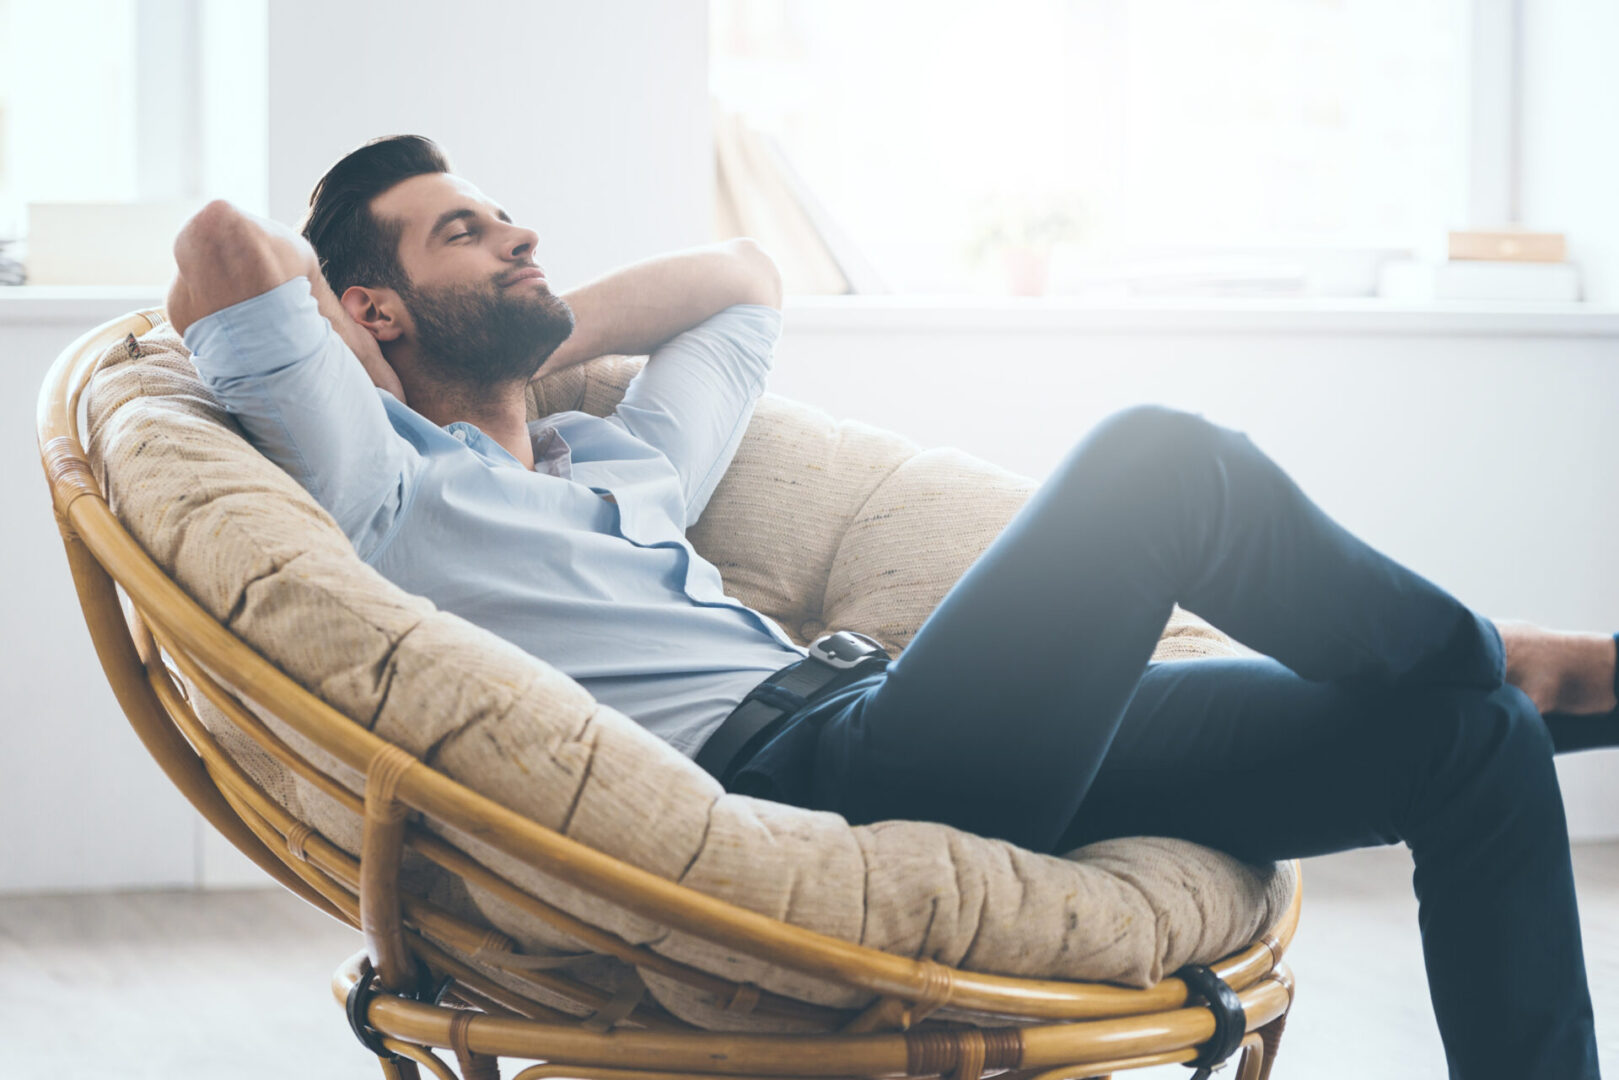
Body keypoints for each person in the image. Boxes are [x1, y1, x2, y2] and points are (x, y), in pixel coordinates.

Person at [166, 134, 1612, 1079]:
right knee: (1161, 462)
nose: (521, 238)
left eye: (504, 219)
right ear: (369, 313)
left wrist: (535, 341)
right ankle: (1512, 652)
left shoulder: (622, 458)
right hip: (810, 783)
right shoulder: (388, 491)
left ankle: (1498, 686)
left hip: (898, 718)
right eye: (466, 235)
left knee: (1464, 743)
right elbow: (230, 245)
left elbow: (743, 283)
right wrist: (368, 358)